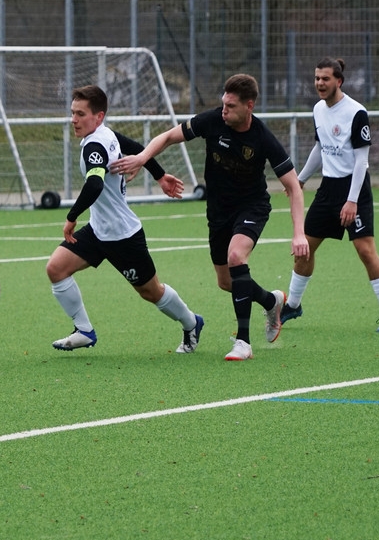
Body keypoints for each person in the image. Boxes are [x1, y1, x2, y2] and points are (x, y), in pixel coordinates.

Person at [111, 74, 310, 361]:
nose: (224, 110)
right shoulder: (213, 120)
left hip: (251, 207)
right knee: (227, 282)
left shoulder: (263, 138)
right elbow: (168, 137)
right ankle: (271, 301)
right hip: (218, 211)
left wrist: (299, 233)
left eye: (231, 106)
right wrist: (142, 159)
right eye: (223, 104)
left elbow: (293, 186)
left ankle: (243, 342)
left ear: (249, 106)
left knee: (236, 257)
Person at [46, 85, 205, 355]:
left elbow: (95, 184)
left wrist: (71, 217)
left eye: (80, 114)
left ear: (99, 116)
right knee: (56, 269)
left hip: (123, 236)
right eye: (72, 113)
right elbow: (136, 148)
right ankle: (84, 331)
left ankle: (191, 323)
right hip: (98, 230)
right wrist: (159, 175)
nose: (74, 120)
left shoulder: (95, 145)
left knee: (151, 292)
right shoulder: (105, 135)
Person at [279, 58, 379, 332]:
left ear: (339, 81)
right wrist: (299, 180)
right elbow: (320, 148)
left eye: (325, 79)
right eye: (317, 78)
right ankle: (293, 305)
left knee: (365, 250)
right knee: (304, 250)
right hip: (328, 190)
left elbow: (361, 161)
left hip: (354, 189)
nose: (320, 83)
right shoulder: (318, 109)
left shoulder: (356, 112)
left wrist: (352, 201)